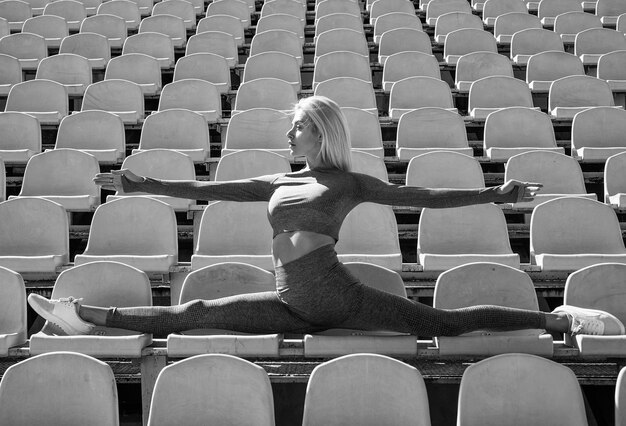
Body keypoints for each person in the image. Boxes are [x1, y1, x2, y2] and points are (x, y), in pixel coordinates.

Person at [28, 96, 625, 337]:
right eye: (292, 124)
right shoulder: (276, 181)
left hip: (338, 296)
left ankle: (558, 318)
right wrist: (143, 182)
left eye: (299, 124)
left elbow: (419, 199)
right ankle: (83, 317)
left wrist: (495, 197)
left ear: (321, 131)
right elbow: (206, 188)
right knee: (197, 312)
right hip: (290, 299)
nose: (290, 131)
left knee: (442, 323)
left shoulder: (348, 182)